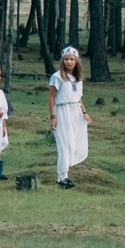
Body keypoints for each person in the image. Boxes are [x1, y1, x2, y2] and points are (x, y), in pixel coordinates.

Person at [46, 46, 88, 188]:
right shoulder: (57, 77)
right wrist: (53, 116)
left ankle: (64, 174)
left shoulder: (77, 78)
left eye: (72, 59)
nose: (69, 62)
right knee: (65, 143)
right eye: (66, 59)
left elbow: (78, 97)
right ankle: (62, 176)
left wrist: (84, 112)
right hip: (62, 111)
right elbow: (52, 98)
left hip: (75, 111)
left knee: (74, 142)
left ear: (76, 61)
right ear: (62, 61)